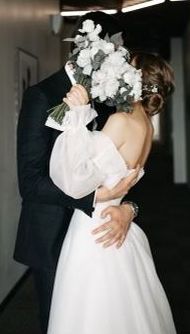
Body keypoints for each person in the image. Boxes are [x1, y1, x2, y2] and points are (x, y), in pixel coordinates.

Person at [13, 11, 140, 334]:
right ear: (92, 51)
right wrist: (95, 198)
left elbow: (123, 172)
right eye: (114, 55)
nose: (119, 65)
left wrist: (129, 208)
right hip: (52, 237)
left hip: (96, 239)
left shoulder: (107, 101)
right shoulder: (41, 96)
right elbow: (30, 183)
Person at [46, 52, 176, 334]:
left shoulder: (122, 120)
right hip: (115, 220)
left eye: (124, 69)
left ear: (134, 80)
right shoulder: (146, 124)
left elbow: (74, 180)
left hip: (94, 227)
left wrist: (77, 117)